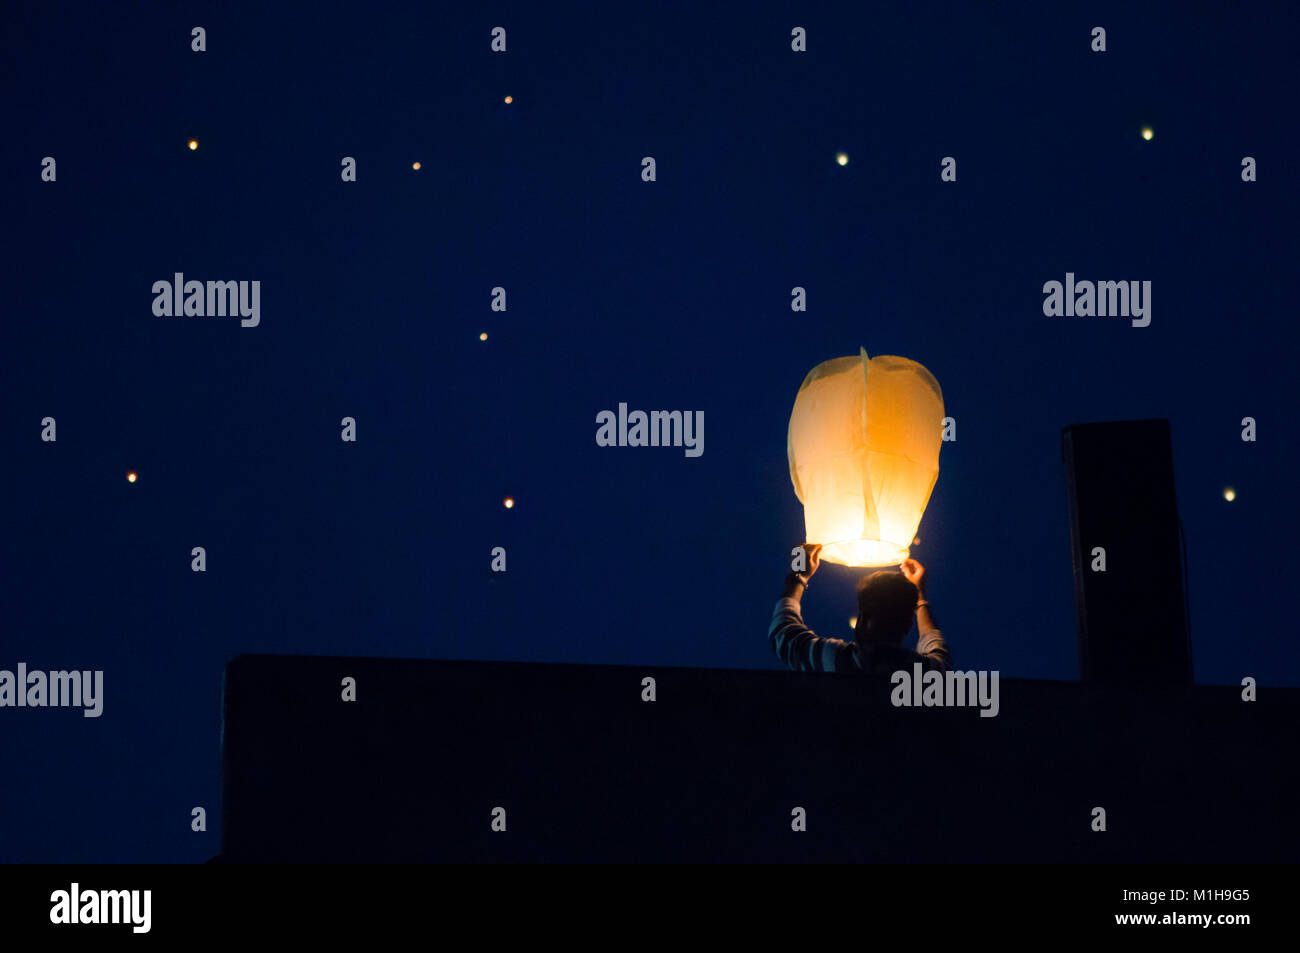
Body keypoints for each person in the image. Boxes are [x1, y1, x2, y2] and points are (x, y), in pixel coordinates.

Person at [769, 543, 951, 675]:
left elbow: (783, 634)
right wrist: (920, 597)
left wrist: (798, 571)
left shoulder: (836, 660)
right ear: (907, 626)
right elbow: (936, 646)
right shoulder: (924, 674)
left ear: (862, 621)